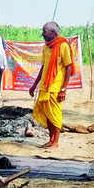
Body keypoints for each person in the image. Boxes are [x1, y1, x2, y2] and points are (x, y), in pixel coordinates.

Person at [29, 21, 75, 149]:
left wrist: (63, 89)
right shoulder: (46, 47)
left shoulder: (63, 45)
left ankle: (56, 142)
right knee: (47, 114)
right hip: (44, 86)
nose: (42, 34)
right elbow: (43, 67)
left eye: (45, 32)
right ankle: (50, 140)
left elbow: (69, 67)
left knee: (55, 114)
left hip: (56, 87)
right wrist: (34, 85)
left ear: (53, 32)